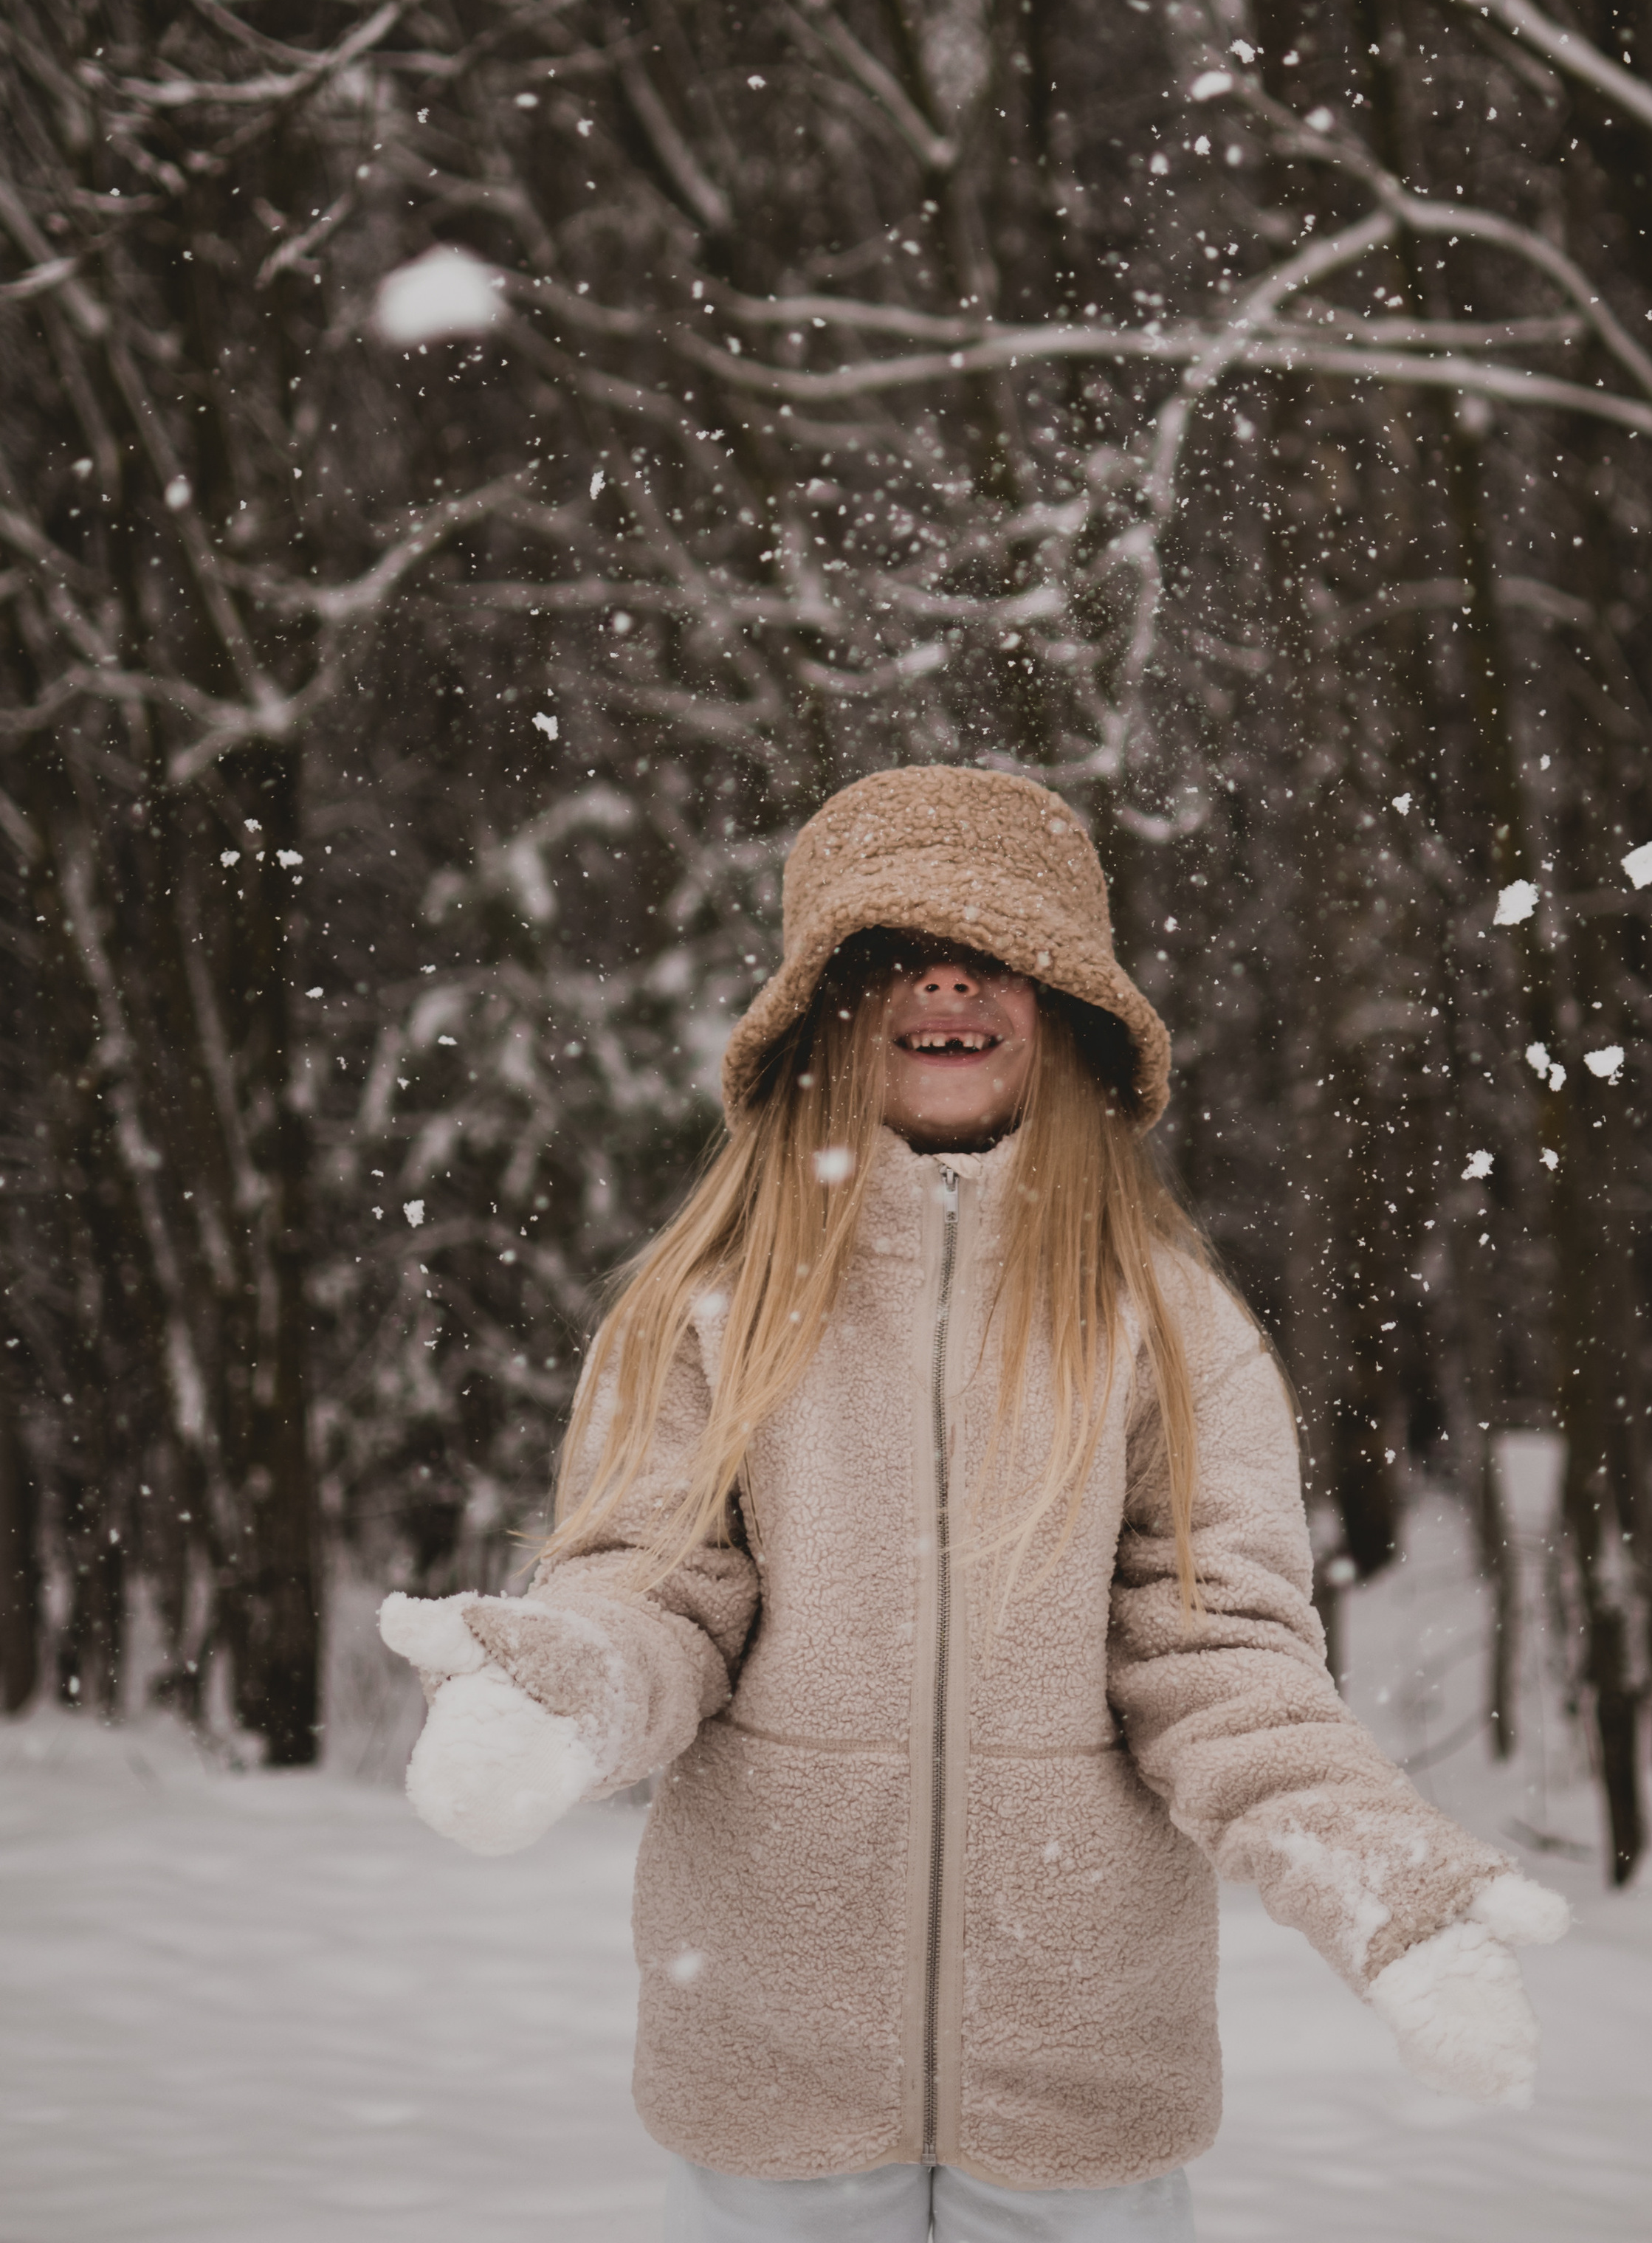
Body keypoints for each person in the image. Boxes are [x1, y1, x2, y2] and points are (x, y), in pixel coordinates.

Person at [381, 765, 1567, 2242]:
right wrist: (561, 1686)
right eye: (887, 953)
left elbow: (1223, 1665)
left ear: (1067, 1013)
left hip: (1078, 2085)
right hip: (771, 2067)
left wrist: (1382, 1891)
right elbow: (656, 1590)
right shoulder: (707, 1316)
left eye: (995, 950)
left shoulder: (1172, 1329)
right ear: (818, 1014)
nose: (945, 977)